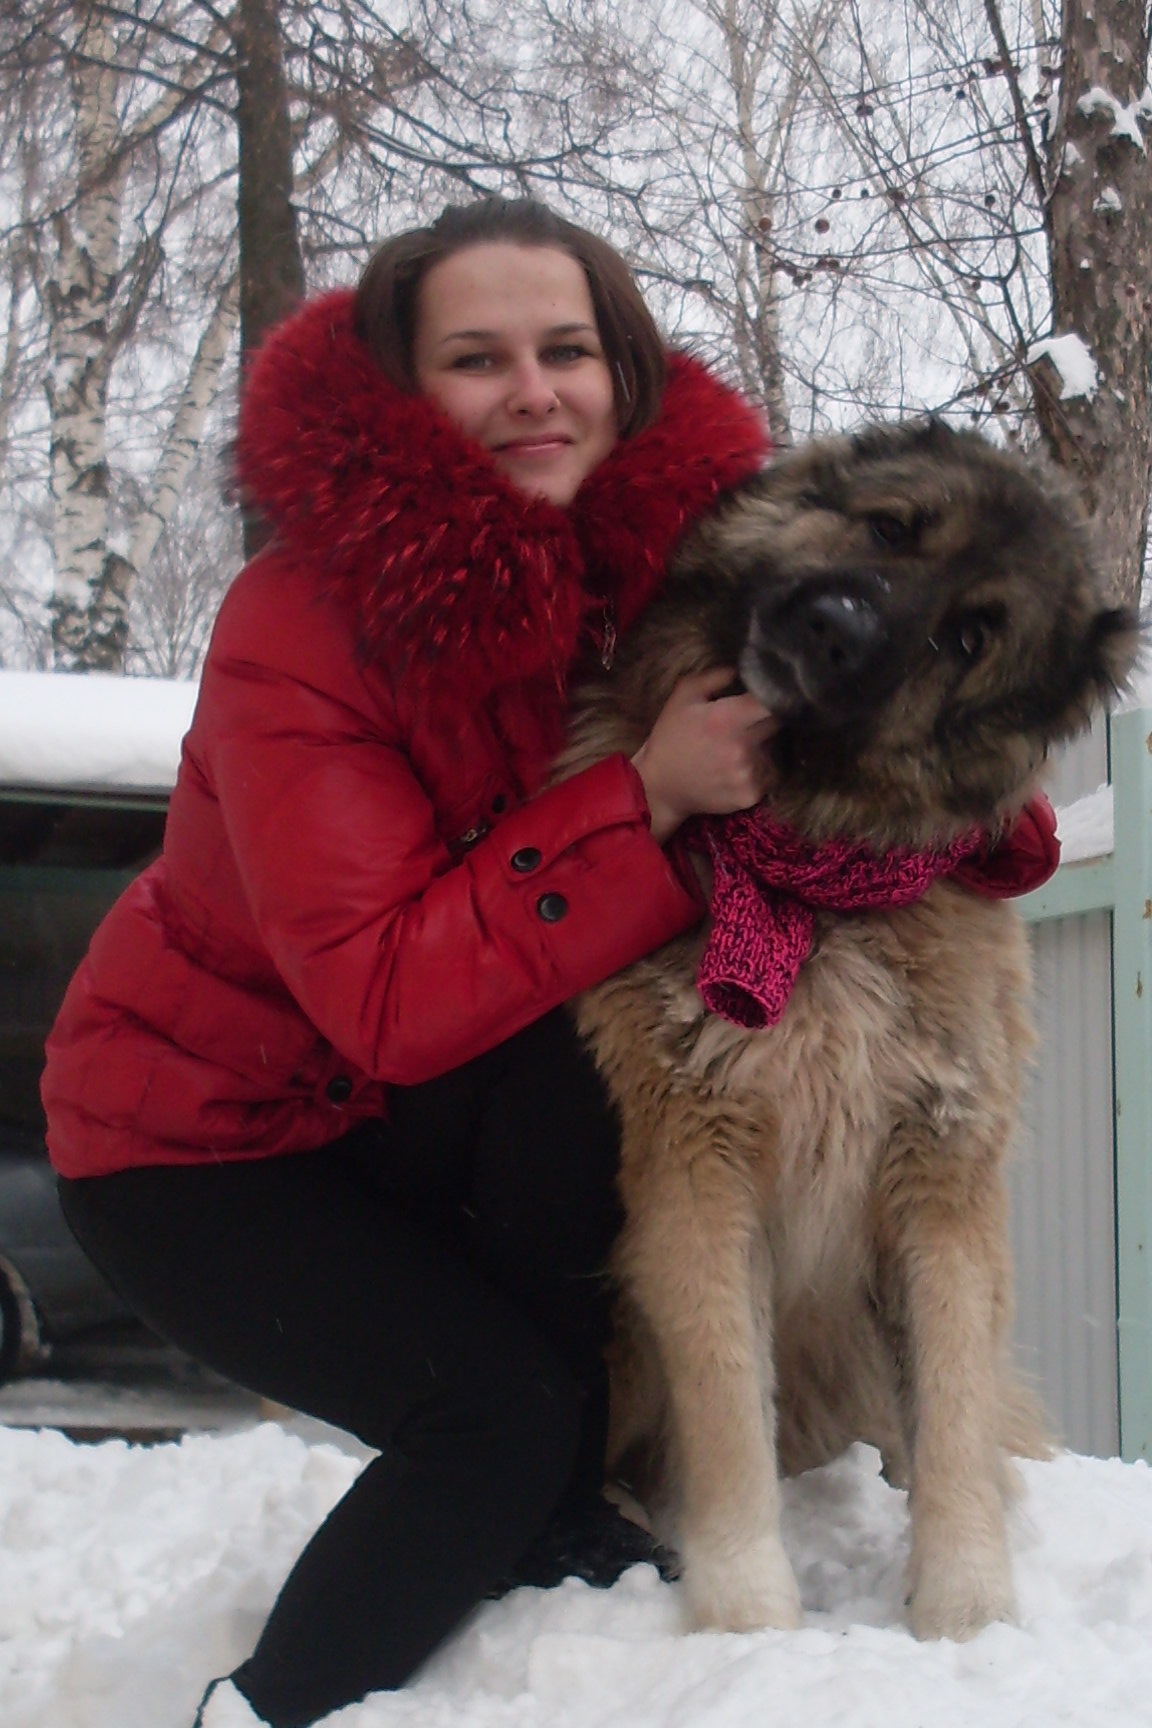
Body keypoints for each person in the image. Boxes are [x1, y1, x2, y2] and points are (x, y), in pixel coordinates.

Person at [44, 195, 1058, 1728]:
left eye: (567, 350)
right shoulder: (300, 626)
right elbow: (389, 999)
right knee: (499, 1427)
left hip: (426, 1101)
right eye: (477, 357)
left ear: (623, 371)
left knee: (596, 1098)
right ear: (403, 387)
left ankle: (561, 1509)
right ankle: (262, 1705)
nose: (533, 391)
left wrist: (947, 787)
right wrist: (647, 790)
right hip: (210, 1146)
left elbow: (902, 740)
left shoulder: (682, 559)